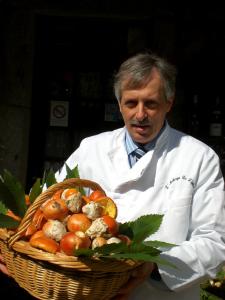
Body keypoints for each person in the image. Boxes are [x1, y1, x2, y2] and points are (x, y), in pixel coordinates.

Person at [1, 52, 225, 300]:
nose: (140, 114)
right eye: (131, 103)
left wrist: (154, 266)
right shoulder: (92, 149)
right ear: (119, 104)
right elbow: (45, 210)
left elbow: (215, 242)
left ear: (168, 103)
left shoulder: (199, 157)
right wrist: (14, 249)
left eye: (150, 103)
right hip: (90, 293)